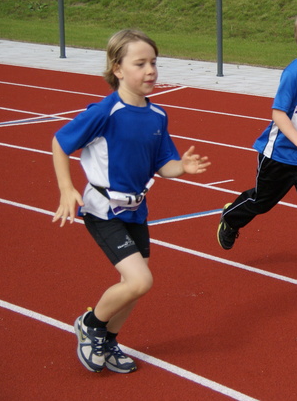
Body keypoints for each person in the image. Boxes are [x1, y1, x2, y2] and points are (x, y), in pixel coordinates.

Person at [51, 29, 210, 374]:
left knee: (134, 287)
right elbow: (61, 142)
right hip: (102, 209)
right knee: (140, 281)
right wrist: (66, 188)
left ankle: (108, 341)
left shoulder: (157, 116)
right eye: (140, 63)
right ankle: (91, 324)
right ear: (118, 69)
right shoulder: (106, 111)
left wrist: (182, 167)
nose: (150, 70)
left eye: (153, 62)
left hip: (136, 210)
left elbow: (163, 163)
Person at [216, 7, 297, 292]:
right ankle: (231, 217)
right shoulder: (294, 74)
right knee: (262, 202)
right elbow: (279, 113)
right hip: (277, 155)